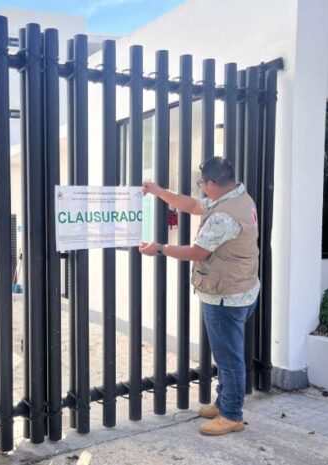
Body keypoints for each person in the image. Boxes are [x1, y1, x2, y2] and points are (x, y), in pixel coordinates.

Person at [140, 157, 259, 436]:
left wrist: (159, 248)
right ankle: (225, 402)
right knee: (228, 354)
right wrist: (158, 191)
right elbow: (193, 206)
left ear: (212, 183)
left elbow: (198, 252)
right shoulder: (237, 197)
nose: (201, 189)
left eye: (202, 183)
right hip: (241, 287)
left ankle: (231, 415)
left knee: (229, 359)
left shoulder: (223, 216)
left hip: (225, 297)